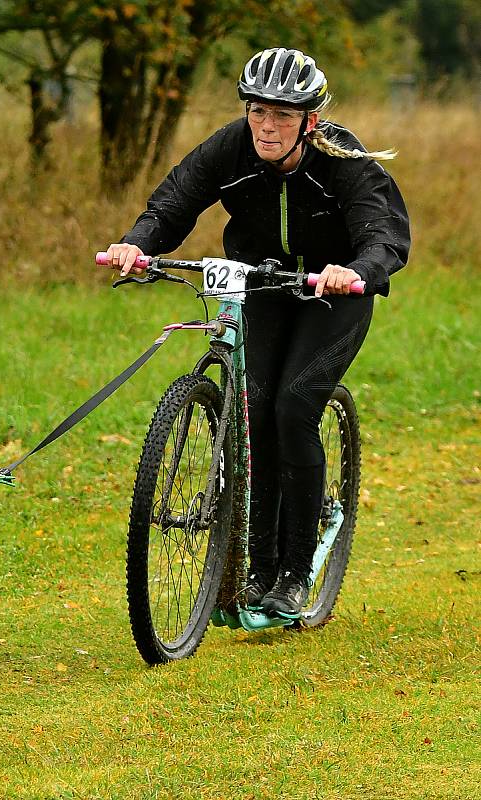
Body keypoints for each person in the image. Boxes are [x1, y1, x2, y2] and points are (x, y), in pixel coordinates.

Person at [102, 47, 410, 618]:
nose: (267, 126)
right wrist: (136, 243)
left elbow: (382, 233)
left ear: (309, 121)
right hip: (261, 285)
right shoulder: (232, 147)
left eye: (283, 115)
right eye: (257, 111)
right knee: (253, 409)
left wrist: (358, 271)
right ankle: (256, 572)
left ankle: (293, 575)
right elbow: (174, 202)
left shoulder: (343, 161)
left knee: (292, 409)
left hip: (332, 294)